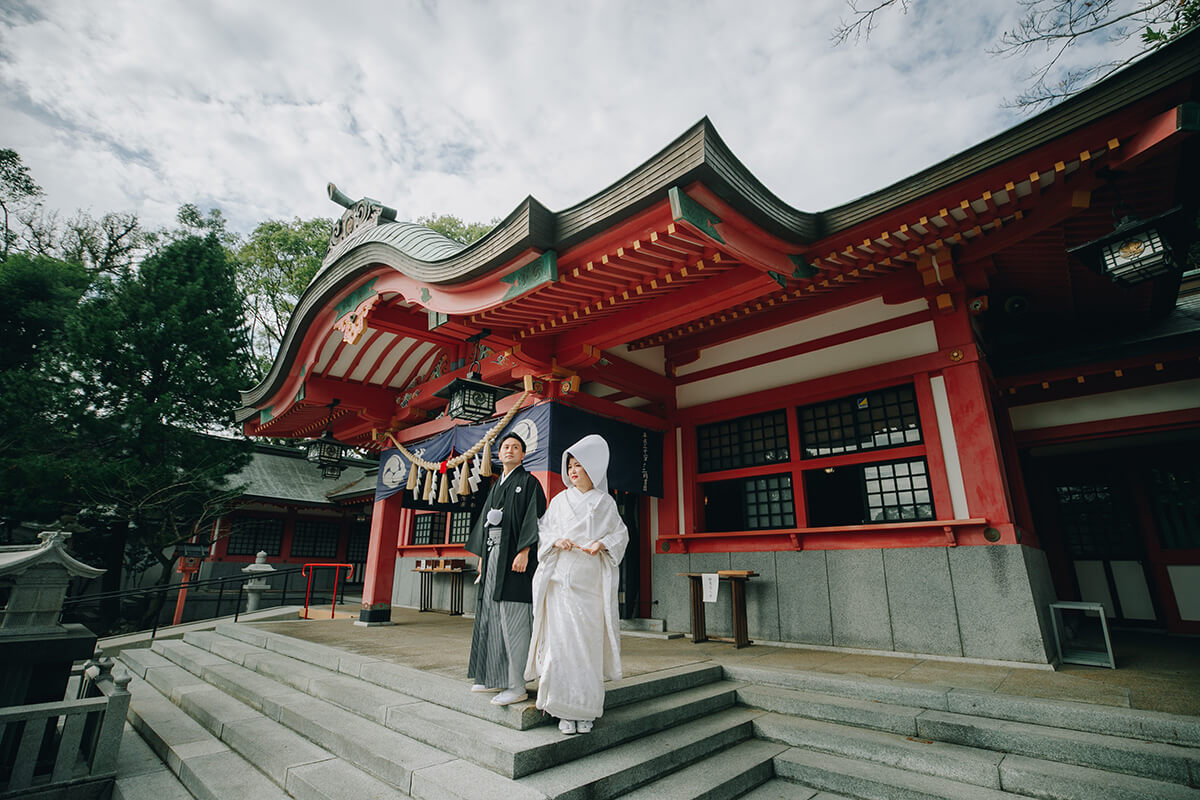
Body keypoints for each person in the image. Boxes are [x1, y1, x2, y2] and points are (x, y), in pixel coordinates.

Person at [525, 434, 629, 735]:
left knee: (587, 646)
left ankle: (586, 710)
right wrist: (557, 540)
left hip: (590, 582)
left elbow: (620, 535)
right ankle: (562, 710)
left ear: (593, 469)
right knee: (562, 645)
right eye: (570, 465)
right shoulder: (559, 501)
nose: (573, 470)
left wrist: (603, 543)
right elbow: (544, 531)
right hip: (561, 581)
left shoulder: (604, 502)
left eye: (579, 465)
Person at [464, 431, 547, 706]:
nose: (509, 450)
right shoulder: (497, 485)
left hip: (515, 560)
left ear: (523, 455)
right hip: (492, 558)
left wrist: (525, 550)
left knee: (514, 622)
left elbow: (535, 519)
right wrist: (481, 559)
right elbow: (485, 525)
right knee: (489, 618)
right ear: (499, 455)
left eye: (515, 447)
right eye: (505, 447)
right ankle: (493, 678)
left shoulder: (529, 483)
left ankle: (516, 684)